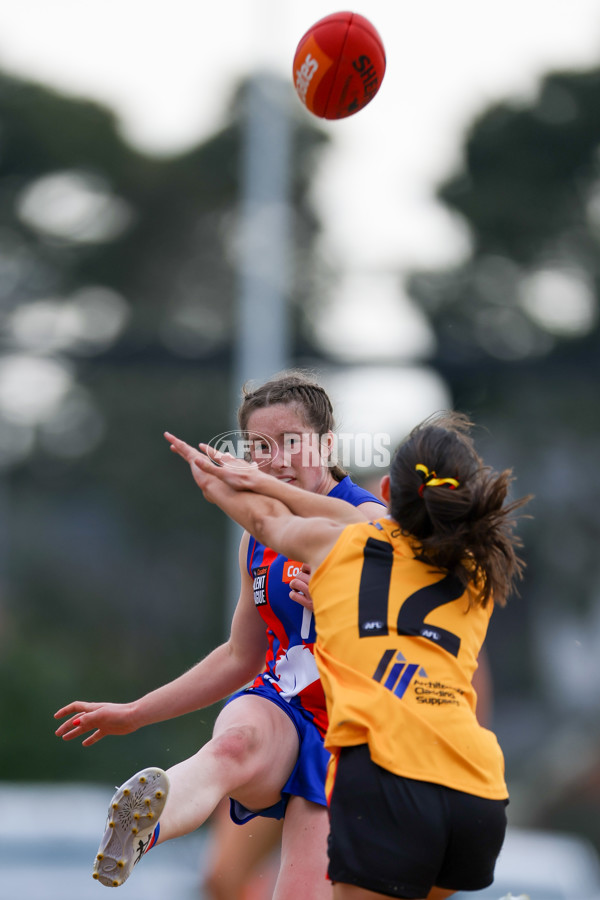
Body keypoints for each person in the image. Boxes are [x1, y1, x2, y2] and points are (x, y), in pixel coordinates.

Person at [164, 410, 531, 900]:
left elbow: (266, 520)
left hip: (382, 771)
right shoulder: (481, 565)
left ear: (384, 495)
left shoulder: (348, 550)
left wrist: (221, 478)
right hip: (477, 792)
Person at [54, 371, 384, 898]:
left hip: (353, 730)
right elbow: (239, 656)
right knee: (231, 745)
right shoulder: (255, 543)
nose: (273, 459)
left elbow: (368, 533)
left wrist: (338, 598)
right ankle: (146, 826)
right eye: (259, 448)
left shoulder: (365, 512)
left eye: (290, 443)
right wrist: (135, 712)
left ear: (326, 443)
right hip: (285, 704)